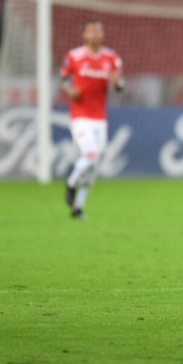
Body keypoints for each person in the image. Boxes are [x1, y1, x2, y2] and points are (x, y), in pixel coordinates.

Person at [60, 19, 124, 218]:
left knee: (94, 167)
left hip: (100, 118)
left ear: (102, 35)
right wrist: (69, 90)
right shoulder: (74, 56)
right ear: (84, 35)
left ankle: (78, 208)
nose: (94, 35)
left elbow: (120, 86)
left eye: (98, 31)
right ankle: (71, 183)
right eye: (91, 31)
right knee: (91, 153)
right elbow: (62, 79)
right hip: (80, 116)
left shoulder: (111, 58)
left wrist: (118, 82)